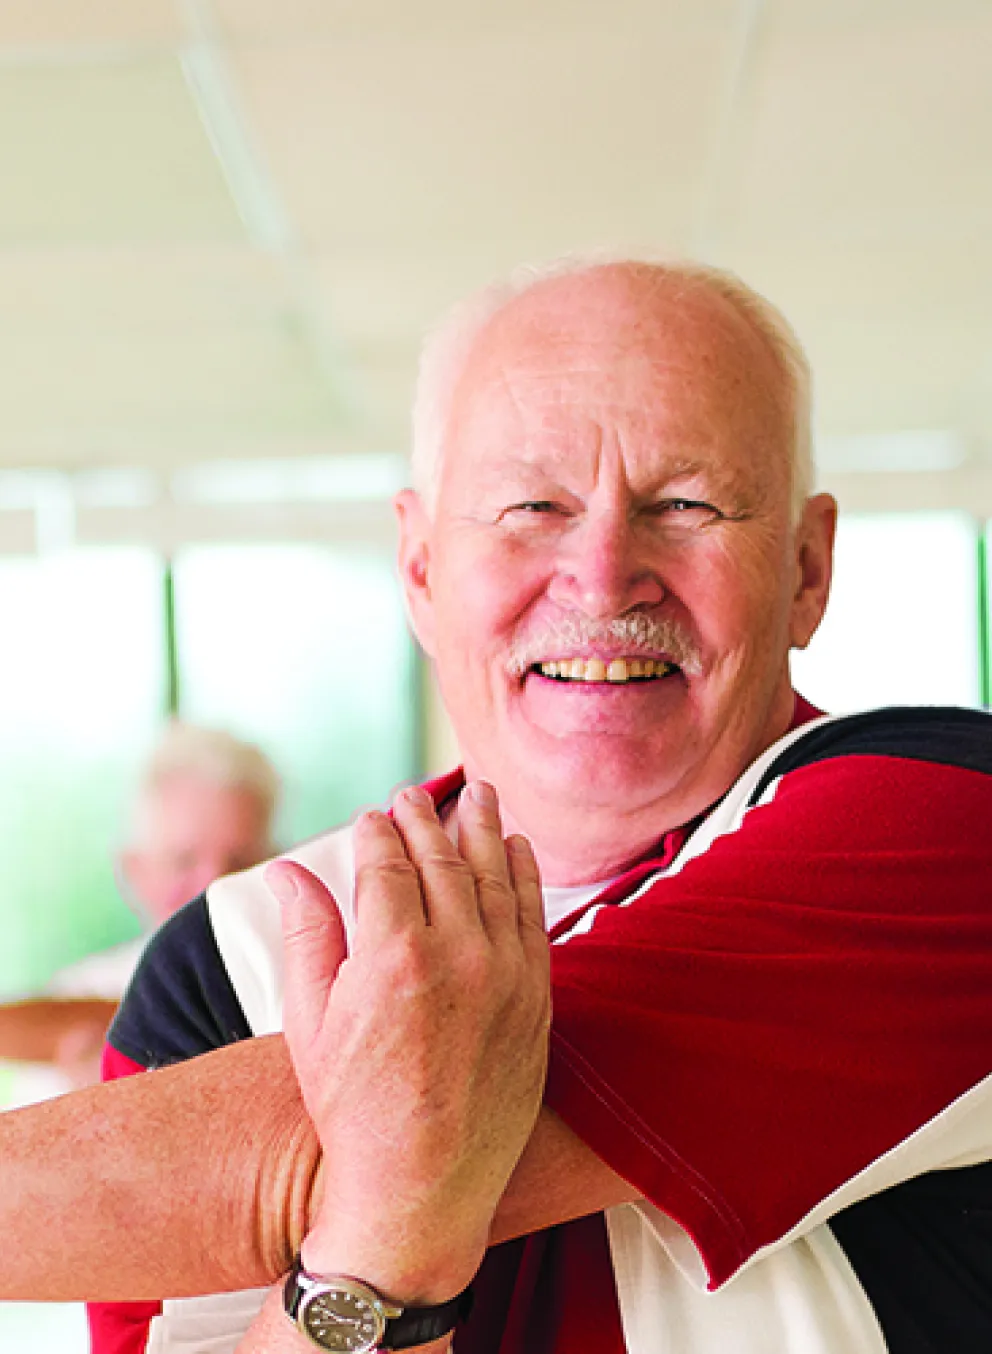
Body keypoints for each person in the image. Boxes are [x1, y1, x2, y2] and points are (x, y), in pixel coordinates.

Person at [85, 256, 992, 1354]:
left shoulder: (943, 833)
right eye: (532, 506)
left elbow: (282, 1155)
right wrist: (376, 1246)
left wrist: (372, 1217)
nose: (604, 575)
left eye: (684, 504)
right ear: (419, 567)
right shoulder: (225, 961)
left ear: (805, 570)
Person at [0, 720, 280, 1099]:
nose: (215, 885)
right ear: (135, 872)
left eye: (242, 859)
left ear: (278, 865)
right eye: (183, 861)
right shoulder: (72, 1011)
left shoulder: (308, 995)